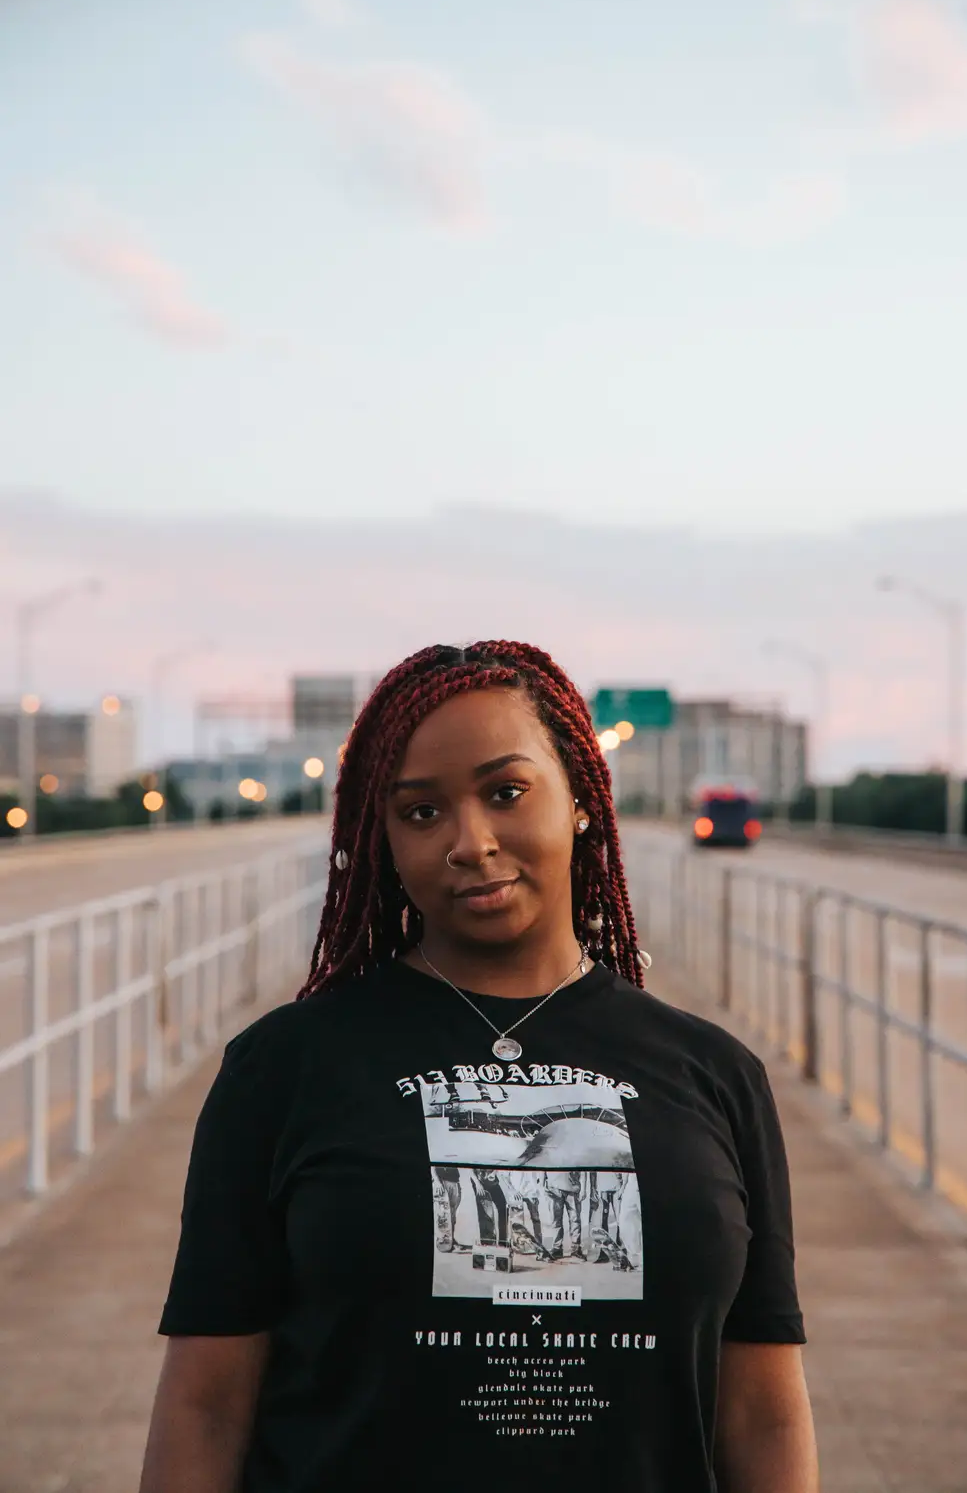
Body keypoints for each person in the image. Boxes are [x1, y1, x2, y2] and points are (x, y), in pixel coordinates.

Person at [140, 640, 818, 1493]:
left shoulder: (714, 1074)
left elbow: (763, 1413)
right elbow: (205, 1406)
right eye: (420, 813)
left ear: (578, 798)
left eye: (506, 793)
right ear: (380, 837)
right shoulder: (284, 1067)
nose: (470, 841)